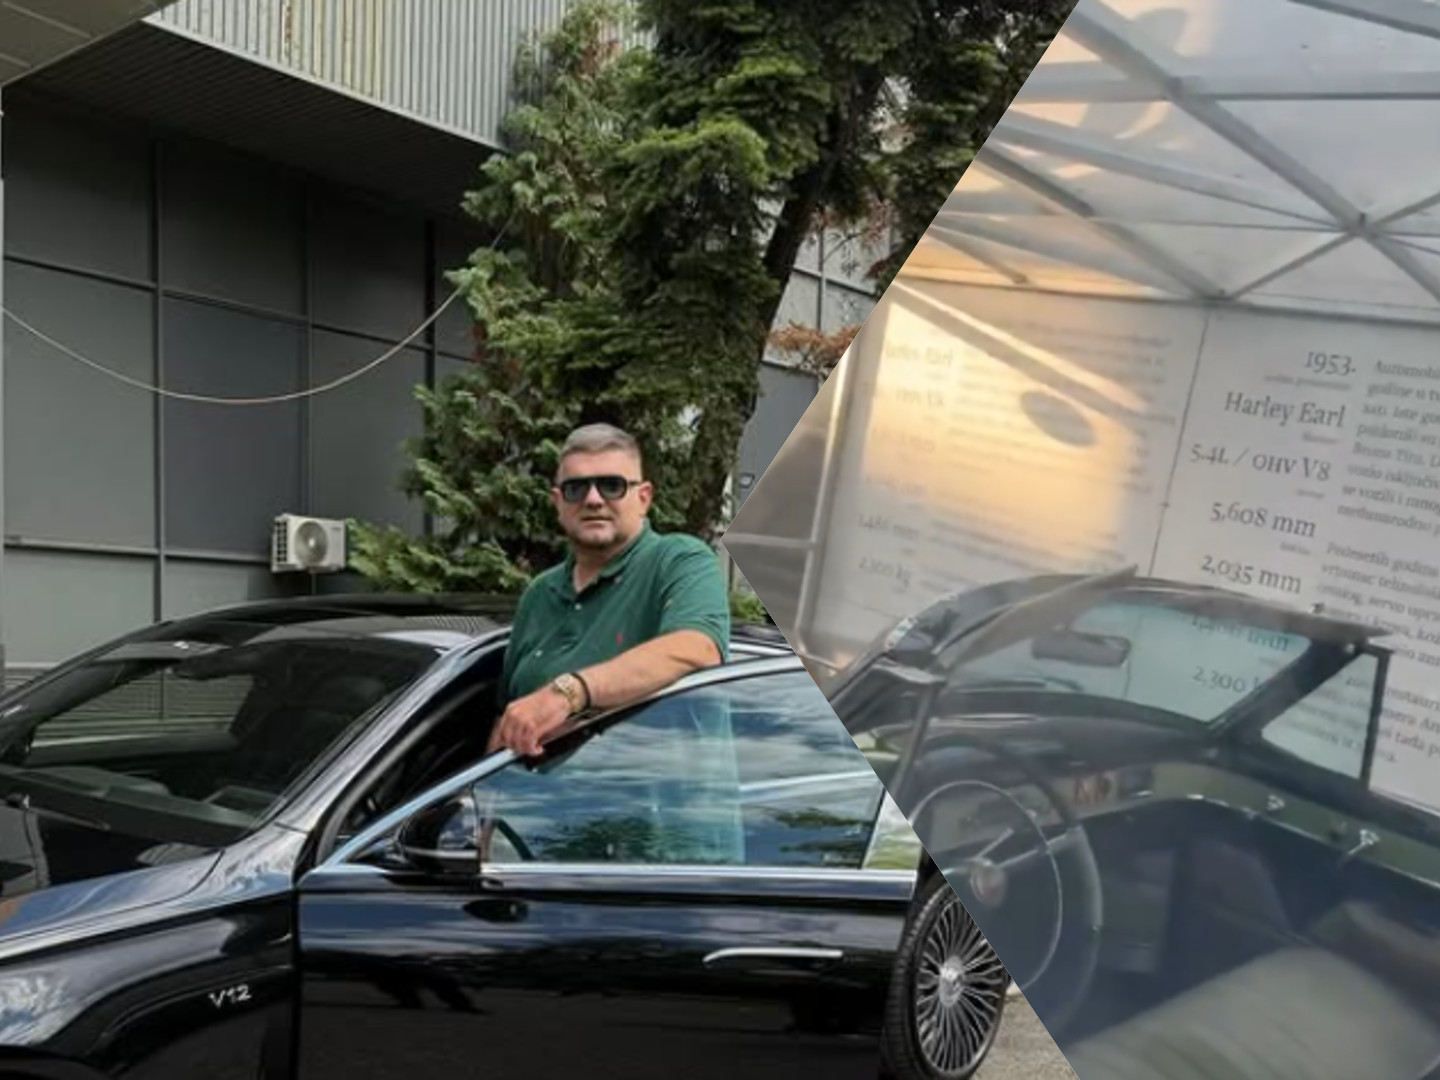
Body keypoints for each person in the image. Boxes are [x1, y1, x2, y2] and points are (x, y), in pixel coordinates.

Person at [488, 423, 731, 757]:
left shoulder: (680, 560)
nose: (593, 499)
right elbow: (508, 716)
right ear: (558, 502)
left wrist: (569, 693)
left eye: (612, 486)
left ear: (644, 497)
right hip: (539, 792)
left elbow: (696, 649)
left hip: (658, 791)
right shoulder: (539, 593)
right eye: (576, 488)